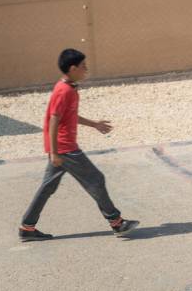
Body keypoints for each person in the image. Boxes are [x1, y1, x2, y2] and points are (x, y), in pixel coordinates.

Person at [18, 49, 139, 241]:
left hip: (60, 148)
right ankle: (117, 223)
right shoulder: (63, 90)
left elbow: (70, 115)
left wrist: (95, 125)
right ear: (73, 68)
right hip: (65, 148)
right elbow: (54, 120)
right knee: (96, 180)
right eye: (83, 66)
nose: (86, 69)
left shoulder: (70, 87)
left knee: (47, 187)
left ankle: (27, 227)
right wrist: (55, 153)